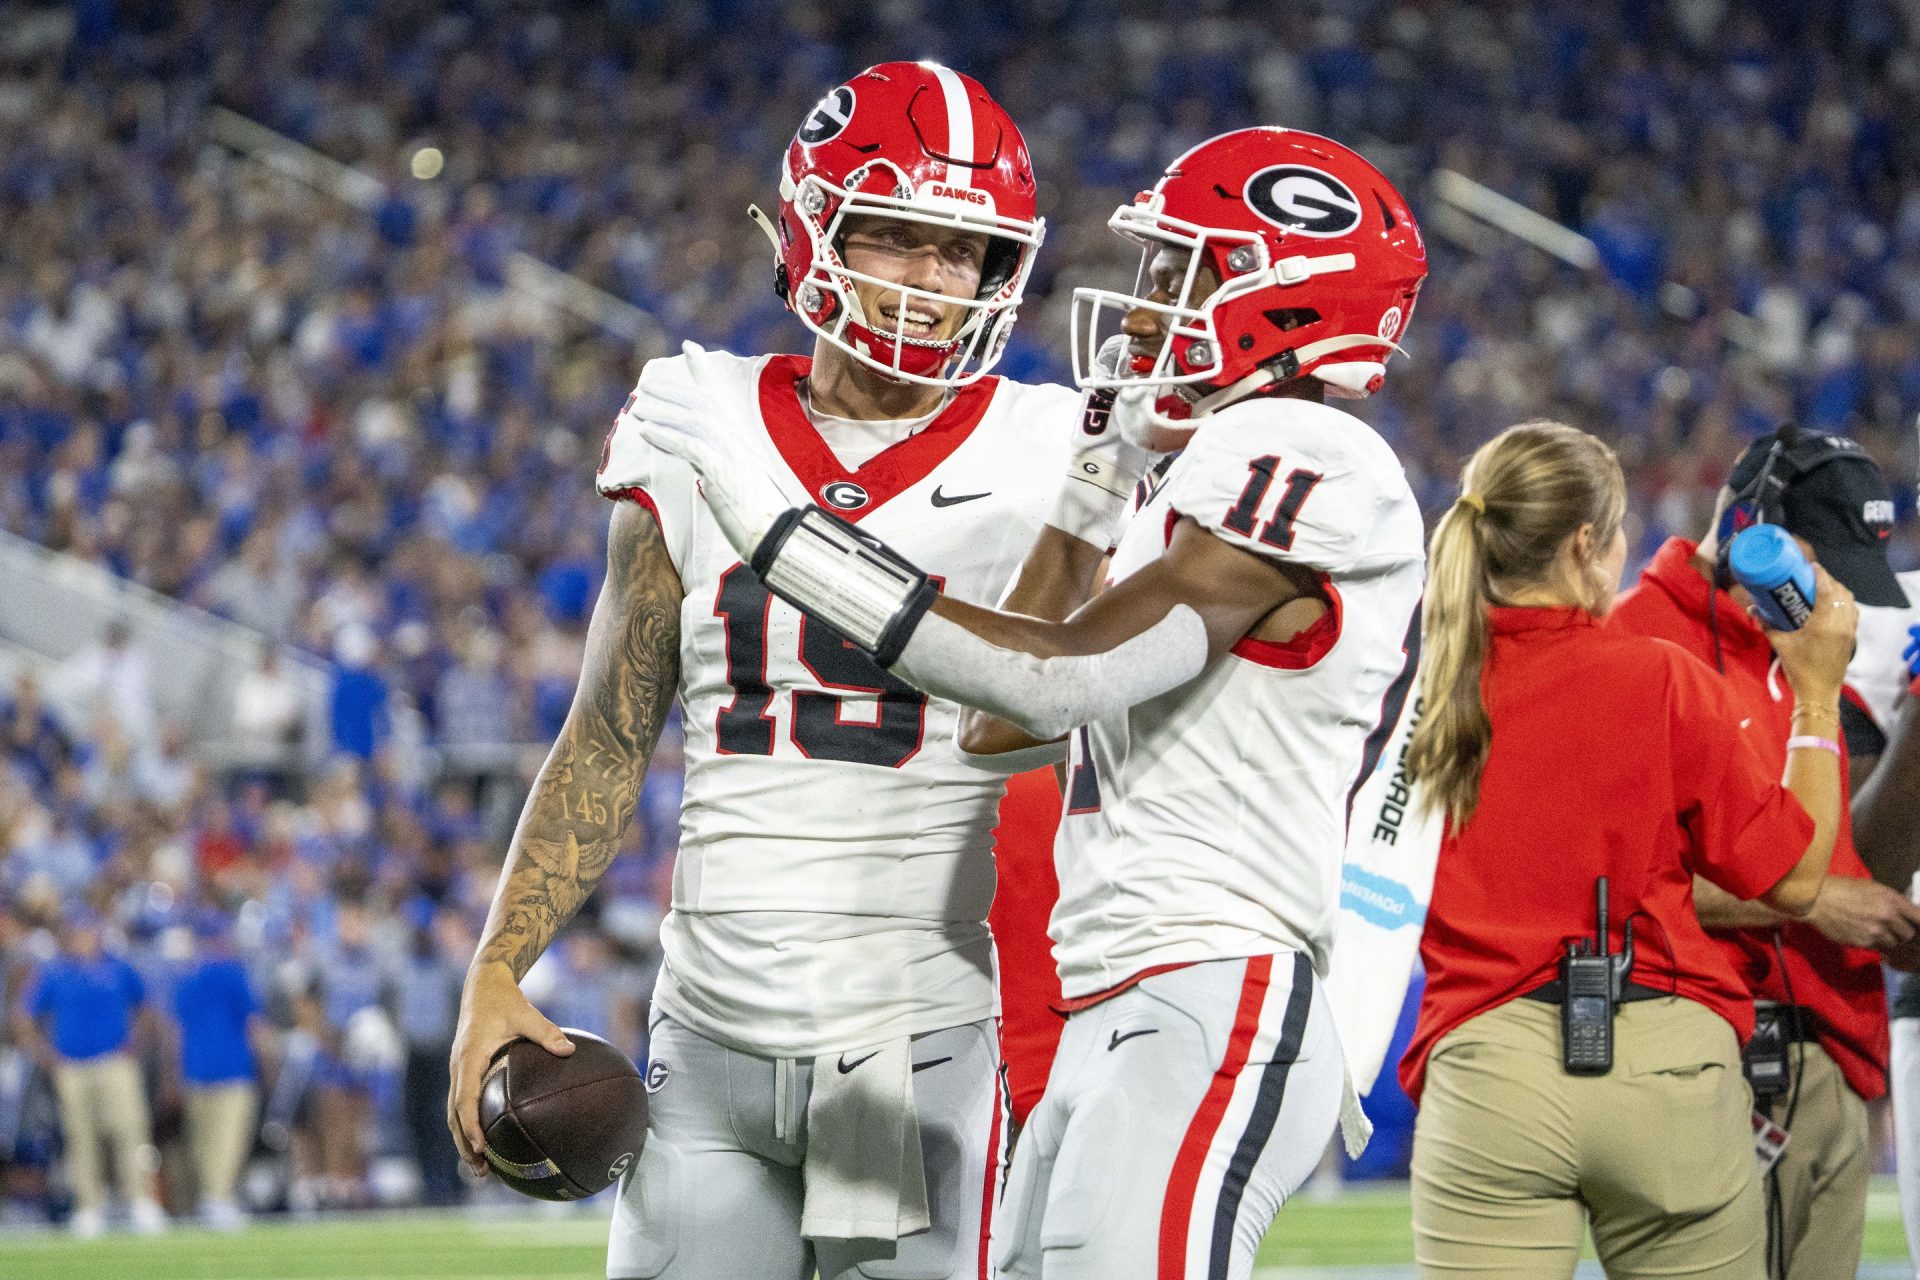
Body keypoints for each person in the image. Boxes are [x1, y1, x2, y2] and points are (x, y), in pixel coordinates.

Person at [636, 126, 1430, 1278]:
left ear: (1281, 301)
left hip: (1216, 979)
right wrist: (1094, 489)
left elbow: (1060, 673)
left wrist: (777, 531)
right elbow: (1005, 726)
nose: (1147, 302)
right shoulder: (1208, 474)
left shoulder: (1311, 452)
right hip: (1120, 991)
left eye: (1180, 271)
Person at [448, 63, 1080, 1280]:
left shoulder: (1053, 447)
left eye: (967, 250)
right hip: (707, 1039)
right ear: (814, 230)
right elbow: (607, 732)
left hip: (905, 1045)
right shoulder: (696, 415)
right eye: (900, 237)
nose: (936, 281)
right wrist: (496, 963)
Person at [1397, 422, 1855, 1278]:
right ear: (1584, 545)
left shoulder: (1431, 693)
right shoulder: (1659, 676)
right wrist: (1817, 696)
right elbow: (1794, 880)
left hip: (1488, 1070)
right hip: (1665, 1065)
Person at [1608, 424, 1911, 1280]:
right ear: (1756, 532)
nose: (1832, 593)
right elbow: (1614, 871)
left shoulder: (1801, 657)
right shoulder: (1636, 645)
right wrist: (1815, 899)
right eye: (1822, 562)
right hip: (1728, 1054)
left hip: (1836, 1056)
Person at [13, 910, 167, 1237]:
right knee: (80, 1136)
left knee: (129, 1130)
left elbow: (149, 1007)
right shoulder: (55, 972)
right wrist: (44, 1054)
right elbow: (23, 1016)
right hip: (71, 1065)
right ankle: (88, 1206)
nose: (82, 939)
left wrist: (135, 1042)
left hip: (115, 1061)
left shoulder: (117, 967)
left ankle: (140, 1201)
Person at [168, 908, 270, 1230]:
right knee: (227, 1140)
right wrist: (269, 1063)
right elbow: (253, 1023)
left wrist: (173, 1074)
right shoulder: (232, 973)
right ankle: (218, 1199)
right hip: (232, 1069)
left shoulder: (187, 977)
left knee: (202, 1142)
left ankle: (210, 1197)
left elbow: (175, 1031)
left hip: (195, 1070)